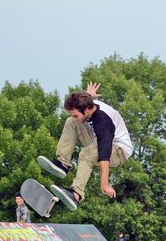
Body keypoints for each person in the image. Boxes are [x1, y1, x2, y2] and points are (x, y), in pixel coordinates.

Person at [37, 82, 133, 210]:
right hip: (97, 139)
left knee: (86, 154)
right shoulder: (88, 103)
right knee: (71, 122)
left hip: (118, 150)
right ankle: (63, 163)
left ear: (87, 110)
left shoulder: (104, 122)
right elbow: (86, 99)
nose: (75, 117)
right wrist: (89, 94)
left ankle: (76, 195)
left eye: (76, 115)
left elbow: (104, 157)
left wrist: (104, 184)